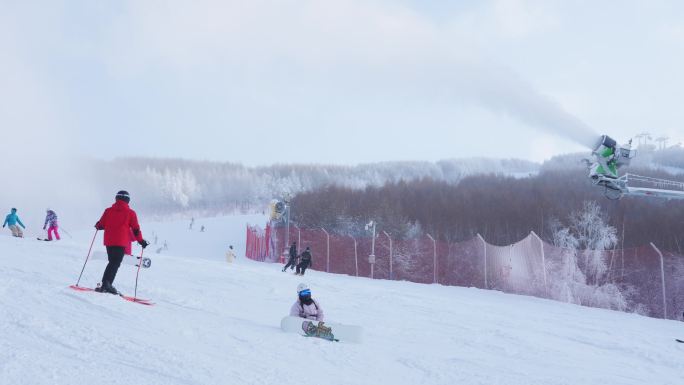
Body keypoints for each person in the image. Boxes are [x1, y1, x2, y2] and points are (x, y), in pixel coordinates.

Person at [94, 191, 149, 294]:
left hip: (109, 241)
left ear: (116, 199)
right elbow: (136, 229)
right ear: (127, 200)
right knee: (115, 263)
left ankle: (105, 284)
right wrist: (141, 241)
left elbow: (100, 225)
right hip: (120, 242)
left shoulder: (108, 211)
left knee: (112, 262)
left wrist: (98, 225)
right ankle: (107, 284)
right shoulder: (131, 213)